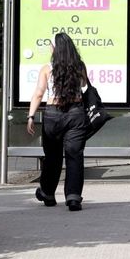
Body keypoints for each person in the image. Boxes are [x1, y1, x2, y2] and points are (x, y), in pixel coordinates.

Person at [27, 33, 89, 211]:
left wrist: (31, 116)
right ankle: (73, 197)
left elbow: (39, 93)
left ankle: (47, 193)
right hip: (76, 113)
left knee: (52, 157)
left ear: (55, 48)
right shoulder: (79, 66)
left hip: (53, 115)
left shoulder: (47, 68)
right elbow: (84, 84)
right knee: (74, 156)